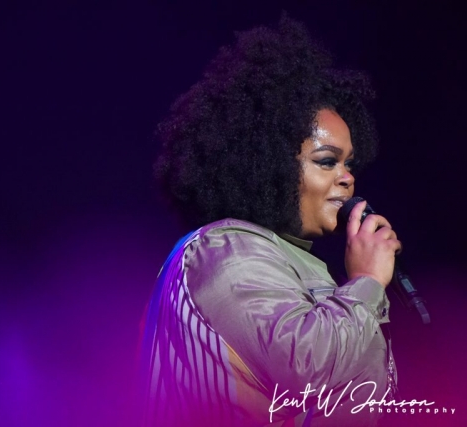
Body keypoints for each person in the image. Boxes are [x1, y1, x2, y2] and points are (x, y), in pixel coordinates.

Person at [138, 17, 402, 427]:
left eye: (349, 164)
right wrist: (367, 282)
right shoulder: (225, 250)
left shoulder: (291, 262)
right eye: (327, 161)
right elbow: (302, 367)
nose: (347, 178)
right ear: (267, 164)